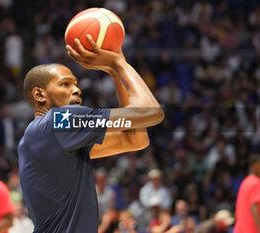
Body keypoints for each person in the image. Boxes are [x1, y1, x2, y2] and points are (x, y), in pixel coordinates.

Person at [18, 35, 164, 232]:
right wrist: (120, 63)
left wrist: (113, 73)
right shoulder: (59, 121)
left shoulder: (47, 137)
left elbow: (135, 139)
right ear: (39, 94)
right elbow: (151, 112)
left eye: (76, 83)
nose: (77, 89)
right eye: (65, 84)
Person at [234, 155, 260, 233]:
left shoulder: (245, 182)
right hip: (251, 230)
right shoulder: (256, 182)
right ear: (254, 166)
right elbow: (254, 207)